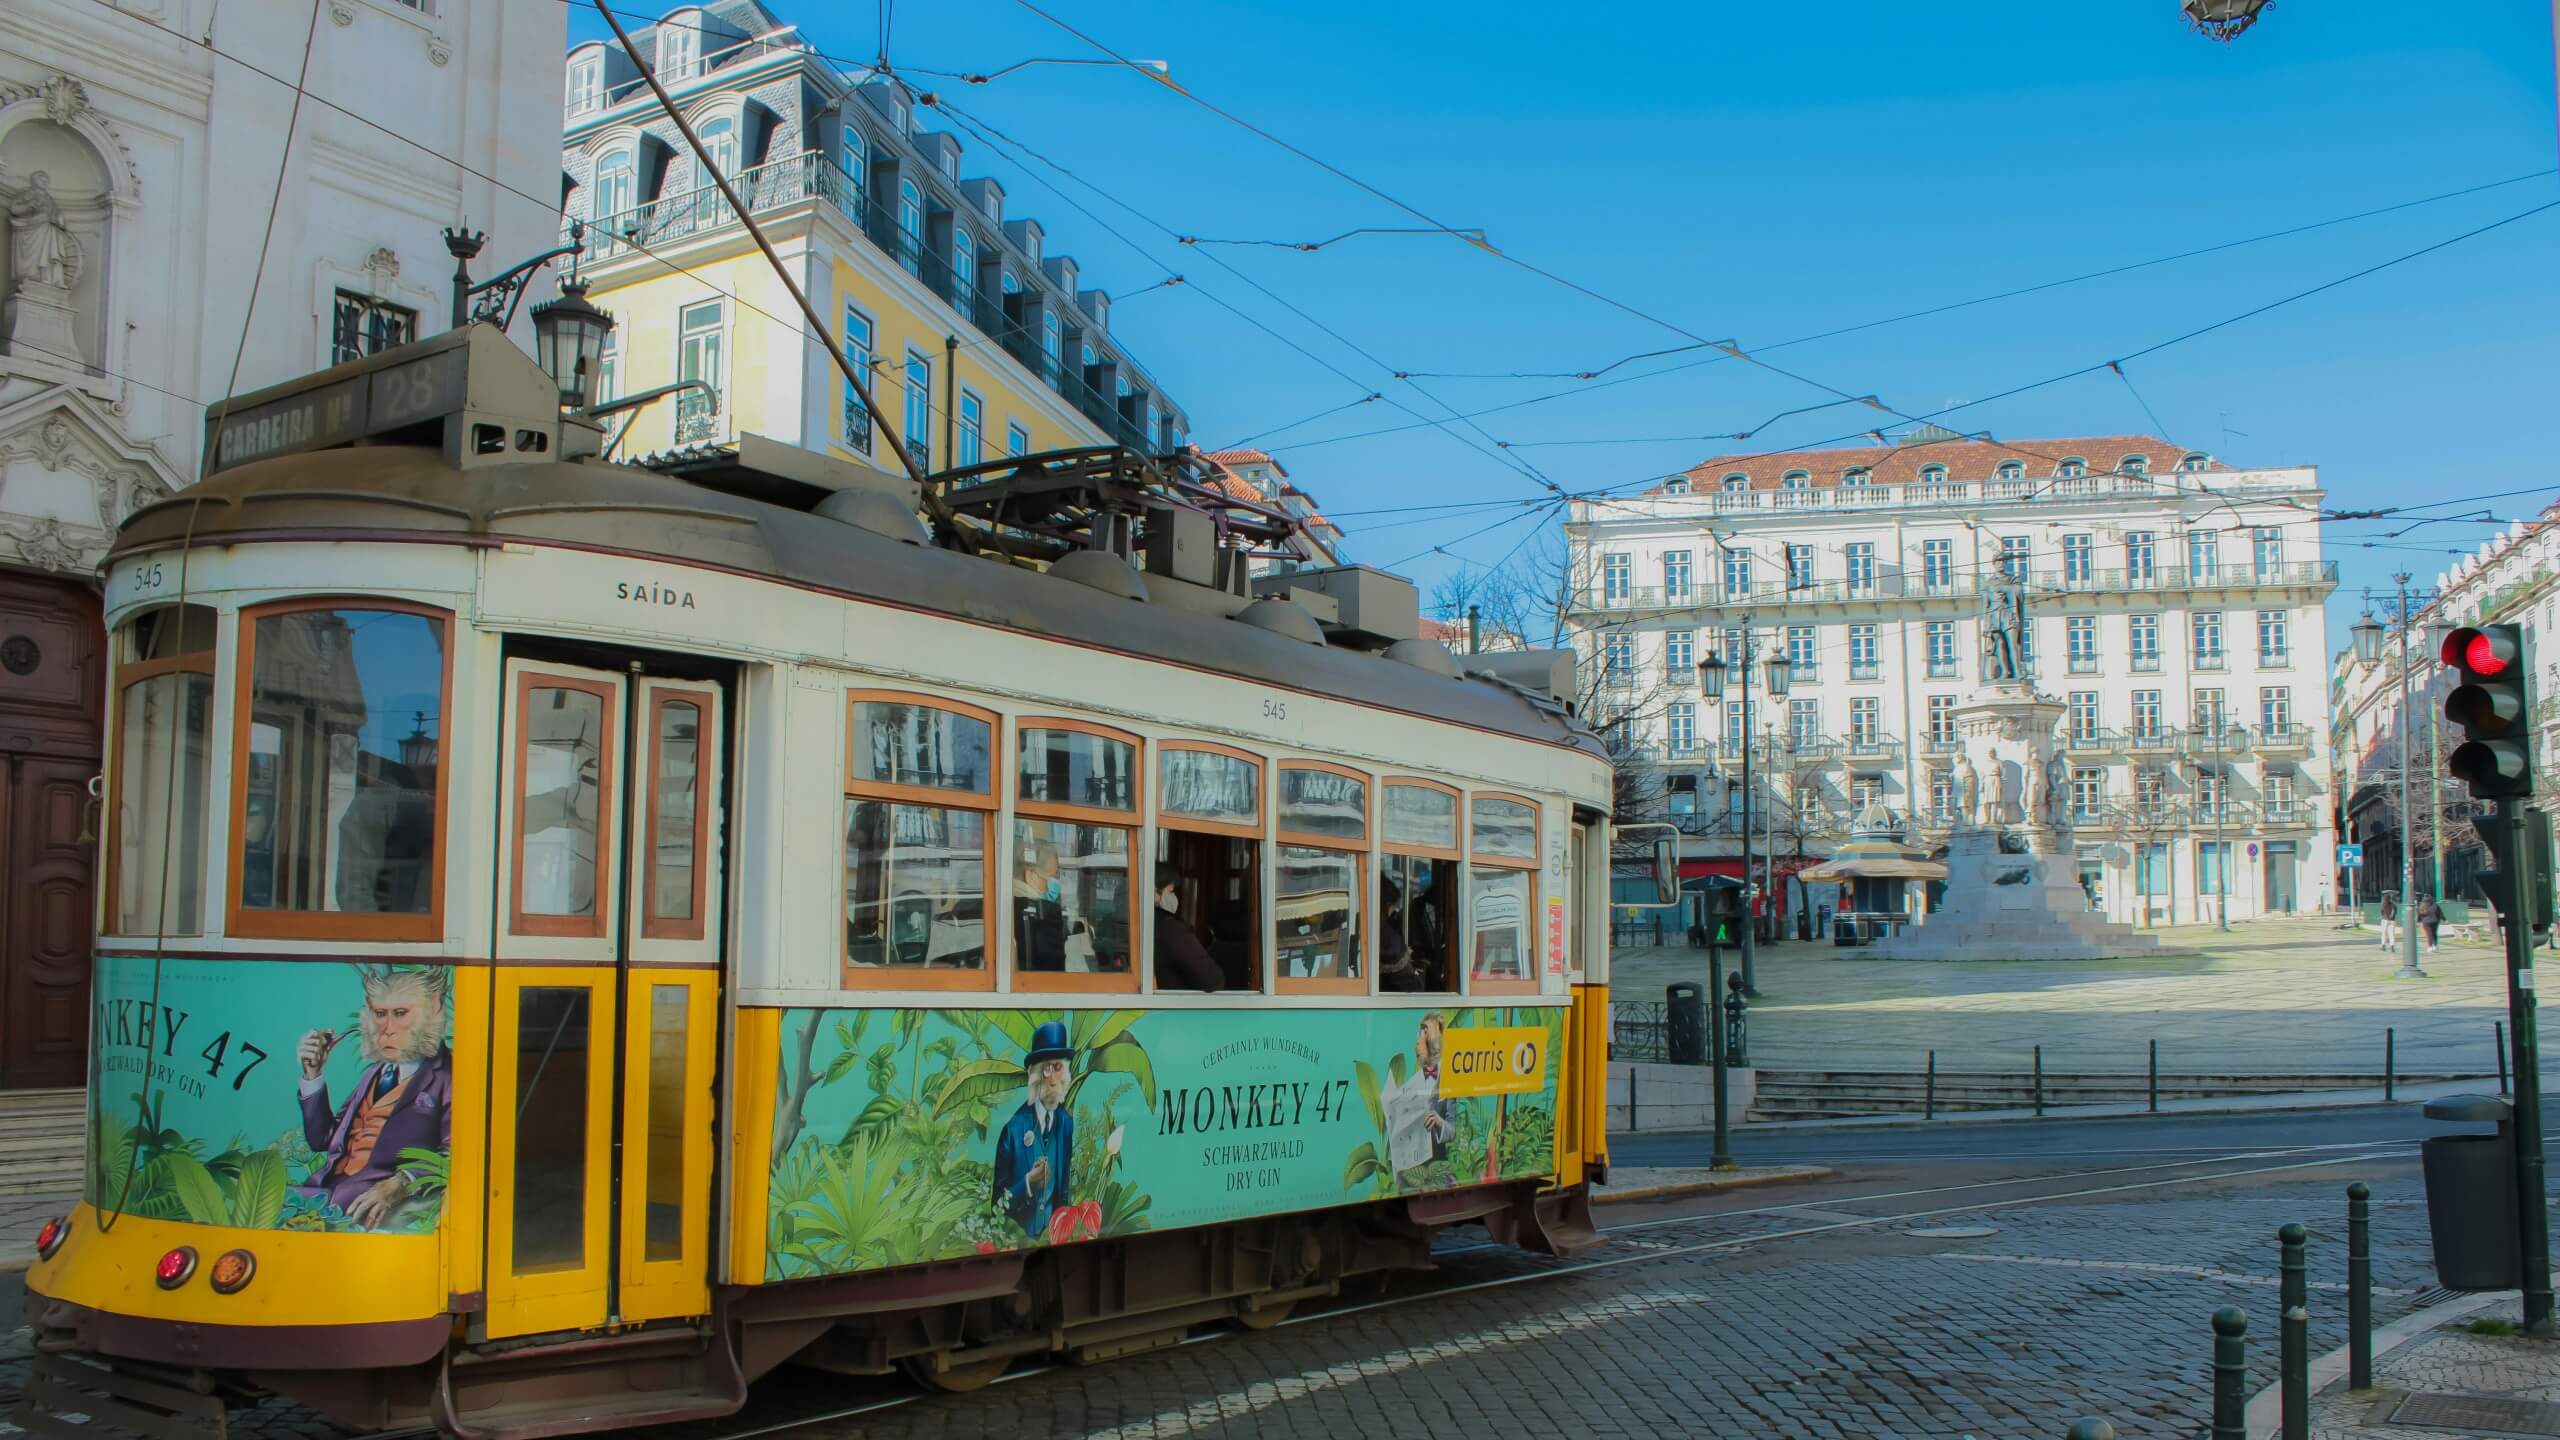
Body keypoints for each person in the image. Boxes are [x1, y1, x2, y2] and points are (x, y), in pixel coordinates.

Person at [296, 966, 451, 1229]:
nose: (386, 1029)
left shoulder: (449, 1075)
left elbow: (459, 1154)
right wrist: (313, 1074)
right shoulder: (375, 1074)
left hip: (367, 1207)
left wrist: (400, 1182)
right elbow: (321, 1140)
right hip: (324, 1196)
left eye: (400, 1013)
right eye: (380, 1014)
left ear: (433, 1008)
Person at [991, 1021, 1074, 1237]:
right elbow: (996, 1206)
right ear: (1035, 1075)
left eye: (1058, 1067)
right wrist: (1028, 1183)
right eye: (1047, 1069)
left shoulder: (1066, 1123)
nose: (1054, 1079)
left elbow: (1063, 1190)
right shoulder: (1013, 1130)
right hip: (1019, 1245)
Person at [1152, 866, 1223, 991]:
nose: (1174, 897)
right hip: (1172, 1006)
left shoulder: (1138, 922)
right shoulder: (1170, 929)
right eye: (1171, 891)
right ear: (1155, 893)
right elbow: (1212, 979)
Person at [1012, 837, 1066, 971]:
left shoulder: (998, 904)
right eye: (1052, 877)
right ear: (1031, 876)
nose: (1055, 884)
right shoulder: (1046, 912)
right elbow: (1053, 970)